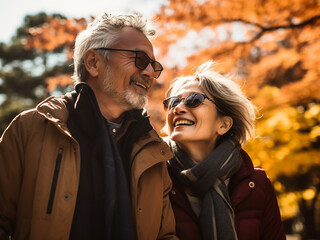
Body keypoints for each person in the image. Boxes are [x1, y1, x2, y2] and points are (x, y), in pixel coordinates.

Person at [0, 13, 178, 240]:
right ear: (93, 63)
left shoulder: (155, 153)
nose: (150, 73)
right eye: (140, 60)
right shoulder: (29, 129)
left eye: (154, 66)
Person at [162, 61, 286, 240]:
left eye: (194, 100)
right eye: (173, 102)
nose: (178, 108)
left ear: (224, 124)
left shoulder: (258, 184)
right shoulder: (154, 177)